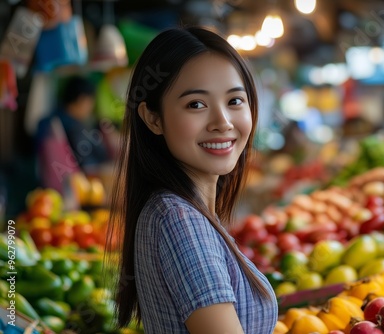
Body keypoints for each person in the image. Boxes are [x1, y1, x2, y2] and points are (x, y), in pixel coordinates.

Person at [108, 26, 278, 333]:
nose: (222, 123)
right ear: (153, 118)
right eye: (196, 104)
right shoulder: (180, 220)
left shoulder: (184, 211)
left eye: (235, 101)